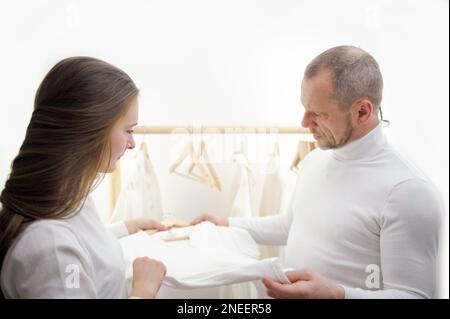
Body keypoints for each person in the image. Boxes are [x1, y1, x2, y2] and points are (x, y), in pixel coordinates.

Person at [192, 45, 444, 299]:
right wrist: (227, 224)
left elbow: (415, 296)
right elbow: (290, 224)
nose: (304, 123)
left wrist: (337, 294)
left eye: (318, 114)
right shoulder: (315, 160)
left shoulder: (408, 191)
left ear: (362, 111)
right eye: (304, 108)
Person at [0, 57, 170, 298]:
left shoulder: (69, 198)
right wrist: (143, 290)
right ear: (90, 129)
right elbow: (65, 251)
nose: (132, 144)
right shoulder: (51, 248)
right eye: (128, 130)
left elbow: (83, 246)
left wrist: (126, 227)